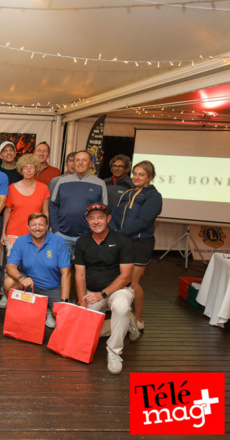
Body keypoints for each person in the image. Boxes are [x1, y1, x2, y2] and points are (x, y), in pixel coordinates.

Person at [74, 203, 141, 375]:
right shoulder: (82, 242)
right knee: (81, 329)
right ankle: (127, 323)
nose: (96, 221)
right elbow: (80, 275)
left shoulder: (123, 241)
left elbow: (126, 276)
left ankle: (114, 351)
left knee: (120, 307)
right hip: (92, 292)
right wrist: (82, 302)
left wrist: (103, 294)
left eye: (100, 217)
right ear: (87, 220)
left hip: (118, 290)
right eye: (92, 218)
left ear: (108, 219)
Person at [110, 161, 162, 331]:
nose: (136, 177)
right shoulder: (128, 192)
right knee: (118, 279)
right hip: (122, 241)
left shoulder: (154, 196)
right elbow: (116, 215)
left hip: (140, 243)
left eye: (141, 174)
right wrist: (114, 231)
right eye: (135, 173)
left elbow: (144, 221)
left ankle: (138, 320)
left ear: (150, 177)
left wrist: (120, 233)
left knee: (132, 283)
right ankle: (120, 314)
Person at [0, 153, 50, 308]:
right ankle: (6, 294)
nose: (28, 170)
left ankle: (29, 298)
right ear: (21, 169)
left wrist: (45, 231)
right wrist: (3, 233)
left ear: (36, 169)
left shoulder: (43, 188)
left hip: (36, 234)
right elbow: (7, 211)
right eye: (25, 167)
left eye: (32, 167)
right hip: (14, 233)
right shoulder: (12, 188)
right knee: (11, 267)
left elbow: (45, 212)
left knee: (32, 266)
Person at [4, 213, 71, 328]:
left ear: (47, 226)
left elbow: (66, 273)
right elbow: (10, 266)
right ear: (28, 227)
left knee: (64, 319)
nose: (37, 228)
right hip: (31, 287)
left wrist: (64, 301)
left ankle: (49, 310)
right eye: (34, 225)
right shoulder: (21, 241)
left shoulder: (58, 241)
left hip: (53, 288)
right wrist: (21, 278)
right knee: (9, 282)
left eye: (41, 225)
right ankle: (33, 310)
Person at [49, 150, 107, 255]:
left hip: (87, 236)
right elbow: (53, 206)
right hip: (62, 235)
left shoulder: (100, 183)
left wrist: (94, 232)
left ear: (90, 164)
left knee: (82, 268)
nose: (80, 163)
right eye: (77, 160)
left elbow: (103, 211)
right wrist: (56, 230)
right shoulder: (62, 182)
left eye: (84, 160)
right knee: (61, 268)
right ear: (73, 163)